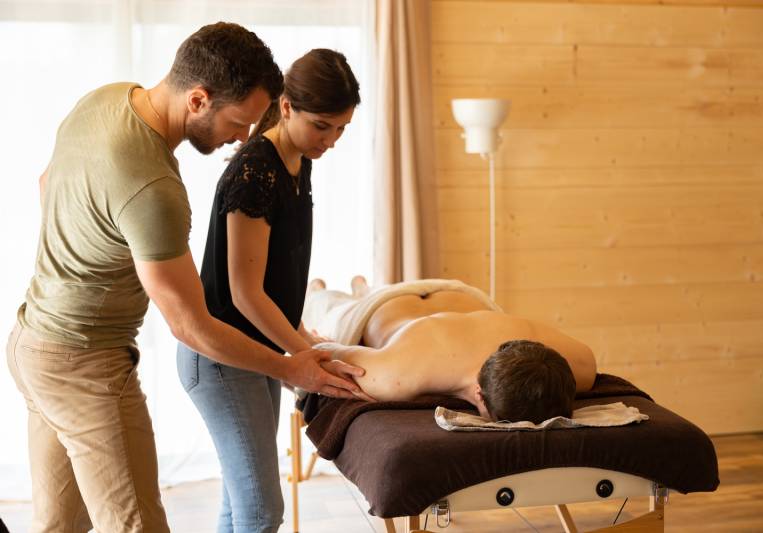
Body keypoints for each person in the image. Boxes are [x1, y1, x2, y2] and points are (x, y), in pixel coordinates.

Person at [6, 24, 364, 533]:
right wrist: (291, 367)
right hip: (85, 363)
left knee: (59, 527)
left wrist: (90, 258)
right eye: (238, 122)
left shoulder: (106, 100)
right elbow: (190, 325)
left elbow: (48, 184)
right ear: (198, 99)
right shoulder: (155, 188)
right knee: (140, 526)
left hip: (33, 344)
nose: (242, 138)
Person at [176, 49, 363, 533]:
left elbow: (275, 277)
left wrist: (302, 337)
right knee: (261, 511)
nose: (331, 140)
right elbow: (244, 293)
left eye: (341, 129)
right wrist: (304, 354)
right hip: (220, 355)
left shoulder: (300, 161)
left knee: (240, 507)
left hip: (254, 349)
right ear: (285, 107)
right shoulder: (255, 171)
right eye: (321, 126)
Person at [303, 276, 599, 423]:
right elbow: (326, 351)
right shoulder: (394, 376)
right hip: (381, 307)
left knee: (360, 296)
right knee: (328, 312)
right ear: (479, 394)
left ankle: (362, 286)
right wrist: (313, 341)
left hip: (459, 292)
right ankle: (327, 291)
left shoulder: (580, 366)